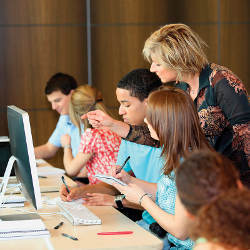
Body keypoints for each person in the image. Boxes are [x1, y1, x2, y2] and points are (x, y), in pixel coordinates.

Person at [85, 23, 250, 182]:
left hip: (234, 183)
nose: (152, 69)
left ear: (177, 59)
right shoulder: (180, 88)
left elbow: (246, 138)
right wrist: (111, 124)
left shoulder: (221, 81)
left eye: (157, 63)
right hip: (205, 180)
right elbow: (165, 137)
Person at [111, 87, 212, 249]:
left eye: (151, 117)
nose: (145, 121)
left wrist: (142, 199)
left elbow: (180, 231)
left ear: (166, 123)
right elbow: (168, 192)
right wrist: (129, 180)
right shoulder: (181, 153)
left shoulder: (192, 166)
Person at [60, 69, 163, 222]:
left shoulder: (170, 139)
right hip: (146, 220)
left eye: (126, 105)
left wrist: (117, 201)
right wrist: (80, 191)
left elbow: (165, 200)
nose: (121, 111)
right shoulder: (128, 139)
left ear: (149, 102)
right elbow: (114, 184)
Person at [60, 84, 121, 184]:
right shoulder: (117, 127)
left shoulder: (93, 135)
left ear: (77, 113)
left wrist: (66, 146)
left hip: (103, 192)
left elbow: (71, 170)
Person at [34, 72, 80, 159]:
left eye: (57, 100)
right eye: (51, 102)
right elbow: (49, 149)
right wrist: (23, 155)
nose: (54, 107)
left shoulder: (92, 119)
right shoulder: (64, 118)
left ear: (73, 94)